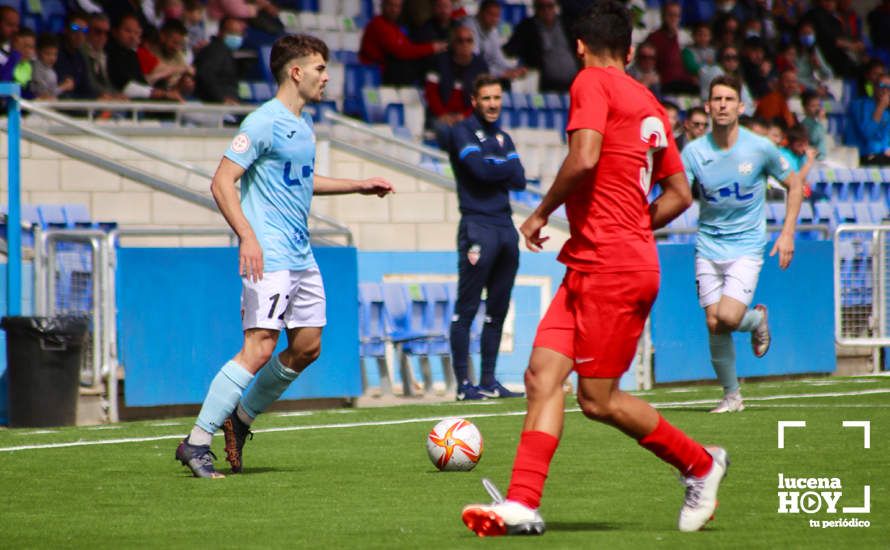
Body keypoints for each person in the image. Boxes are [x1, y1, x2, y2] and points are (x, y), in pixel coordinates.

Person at [461, 2, 727, 536]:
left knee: (598, 400)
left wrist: (538, 214)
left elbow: (584, 158)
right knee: (541, 376)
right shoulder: (650, 102)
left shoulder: (590, 83)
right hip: (595, 260)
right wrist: (631, 227)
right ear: (629, 50)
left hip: (611, 264)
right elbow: (679, 193)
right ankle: (521, 503)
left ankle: (700, 463)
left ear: (580, 46)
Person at [175, 34, 395, 479]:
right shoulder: (262, 122)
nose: (326, 77)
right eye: (319, 69)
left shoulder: (302, 126)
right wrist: (247, 236)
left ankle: (241, 418)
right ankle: (197, 442)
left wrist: (357, 185)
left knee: (308, 346)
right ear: (296, 72)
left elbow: (301, 181)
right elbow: (222, 182)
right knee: (258, 348)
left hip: (301, 254)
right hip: (270, 255)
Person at [682, 75, 802, 414]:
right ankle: (732, 396)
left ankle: (757, 320)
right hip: (708, 245)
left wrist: (788, 232)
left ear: (740, 106)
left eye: (729, 99)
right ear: (708, 106)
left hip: (746, 247)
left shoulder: (759, 147)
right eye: (717, 99)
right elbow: (678, 193)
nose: (722, 105)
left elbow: (795, 185)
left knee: (729, 317)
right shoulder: (693, 152)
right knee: (713, 323)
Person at [446, 73, 526, 401]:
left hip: (506, 228)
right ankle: (465, 385)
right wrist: (502, 166)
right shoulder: (461, 131)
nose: (493, 104)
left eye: (497, 98)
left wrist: (496, 166)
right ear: (474, 101)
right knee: (466, 308)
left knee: (498, 308)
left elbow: (520, 180)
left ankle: (489, 380)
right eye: (487, 98)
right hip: (477, 225)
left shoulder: (504, 137)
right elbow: (479, 172)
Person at [424, 26, 488, 144]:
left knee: (483, 134)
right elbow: (430, 93)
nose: (465, 44)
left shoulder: (480, 66)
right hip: (440, 117)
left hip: (468, 117)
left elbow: (482, 98)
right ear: (453, 43)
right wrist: (442, 115)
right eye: (460, 40)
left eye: (469, 40)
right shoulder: (438, 61)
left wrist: (465, 116)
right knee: (446, 131)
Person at [359, 0, 446, 86]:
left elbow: (408, 47)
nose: (394, 10)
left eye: (397, 6)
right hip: (377, 74)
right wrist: (431, 48)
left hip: (390, 73)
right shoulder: (377, 24)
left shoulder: (394, 27)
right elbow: (400, 52)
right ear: (382, 5)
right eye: (390, 5)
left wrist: (432, 48)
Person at [503, 0, 577, 93]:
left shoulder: (567, 23)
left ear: (556, 7)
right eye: (541, 7)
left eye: (549, 6)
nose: (546, 10)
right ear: (535, 8)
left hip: (574, 82)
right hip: (546, 87)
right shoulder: (527, 27)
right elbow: (509, 50)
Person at [463, 0, 526, 82]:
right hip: (465, 74)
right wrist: (500, 74)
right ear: (480, 12)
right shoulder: (468, 26)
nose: (494, 19)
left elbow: (498, 58)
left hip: (482, 75)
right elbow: (475, 62)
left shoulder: (493, 30)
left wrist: (514, 69)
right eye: (491, 14)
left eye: (497, 16)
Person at [645, 1, 696, 94]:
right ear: (663, 16)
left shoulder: (684, 37)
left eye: (676, 15)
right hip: (664, 83)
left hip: (683, 82)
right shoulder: (654, 38)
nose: (673, 19)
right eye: (670, 15)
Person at [194, 16, 245, 104]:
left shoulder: (226, 51)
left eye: (238, 34)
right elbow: (206, 75)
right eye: (231, 33)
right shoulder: (215, 50)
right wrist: (222, 98)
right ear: (220, 32)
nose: (235, 37)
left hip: (227, 104)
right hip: (213, 106)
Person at [846, 73, 890, 166]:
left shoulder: (887, 112)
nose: (885, 90)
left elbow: (885, 137)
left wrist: (886, 148)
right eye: (882, 85)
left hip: (881, 154)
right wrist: (880, 107)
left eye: (888, 87)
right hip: (861, 155)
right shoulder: (859, 105)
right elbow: (868, 133)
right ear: (874, 86)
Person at [30, 33, 75, 99]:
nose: (52, 58)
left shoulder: (51, 70)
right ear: (38, 52)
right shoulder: (36, 69)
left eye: (55, 54)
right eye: (47, 54)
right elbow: (43, 94)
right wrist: (63, 87)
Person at [800, 90, 828, 160]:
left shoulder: (816, 122)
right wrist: (819, 121)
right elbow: (815, 138)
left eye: (818, 105)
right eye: (813, 106)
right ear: (805, 108)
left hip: (821, 157)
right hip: (813, 158)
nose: (817, 109)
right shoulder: (805, 123)